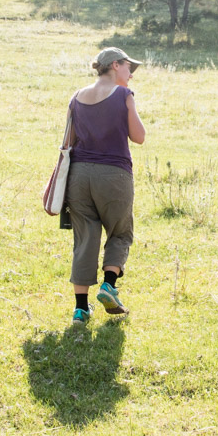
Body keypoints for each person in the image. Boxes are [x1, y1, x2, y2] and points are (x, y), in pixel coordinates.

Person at [65, 47, 146, 324]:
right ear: (115, 65)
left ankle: (80, 309)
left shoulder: (76, 97)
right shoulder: (123, 95)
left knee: (85, 238)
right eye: (128, 68)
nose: (130, 75)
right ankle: (109, 286)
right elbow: (139, 137)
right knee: (120, 231)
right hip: (113, 174)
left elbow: (70, 140)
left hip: (78, 175)